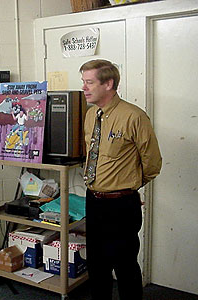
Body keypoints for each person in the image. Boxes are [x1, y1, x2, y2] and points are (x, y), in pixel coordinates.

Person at [80, 59, 162, 300]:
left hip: (121, 204)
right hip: (93, 200)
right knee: (96, 264)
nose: (84, 88)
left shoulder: (134, 117)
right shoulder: (90, 114)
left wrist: (129, 186)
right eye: (83, 82)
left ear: (109, 83)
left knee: (124, 265)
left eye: (89, 82)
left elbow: (152, 163)